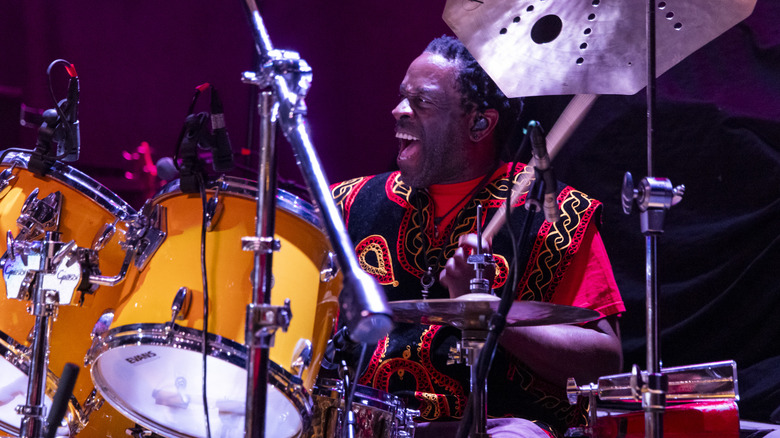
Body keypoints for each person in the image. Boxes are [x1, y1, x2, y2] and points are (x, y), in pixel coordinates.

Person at [329, 35, 625, 437]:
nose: (399, 111)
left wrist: (487, 310)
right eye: (402, 97)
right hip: (362, 423)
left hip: (499, 426)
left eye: (422, 102)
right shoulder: (345, 206)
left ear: (480, 123)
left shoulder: (559, 217)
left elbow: (604, 361)